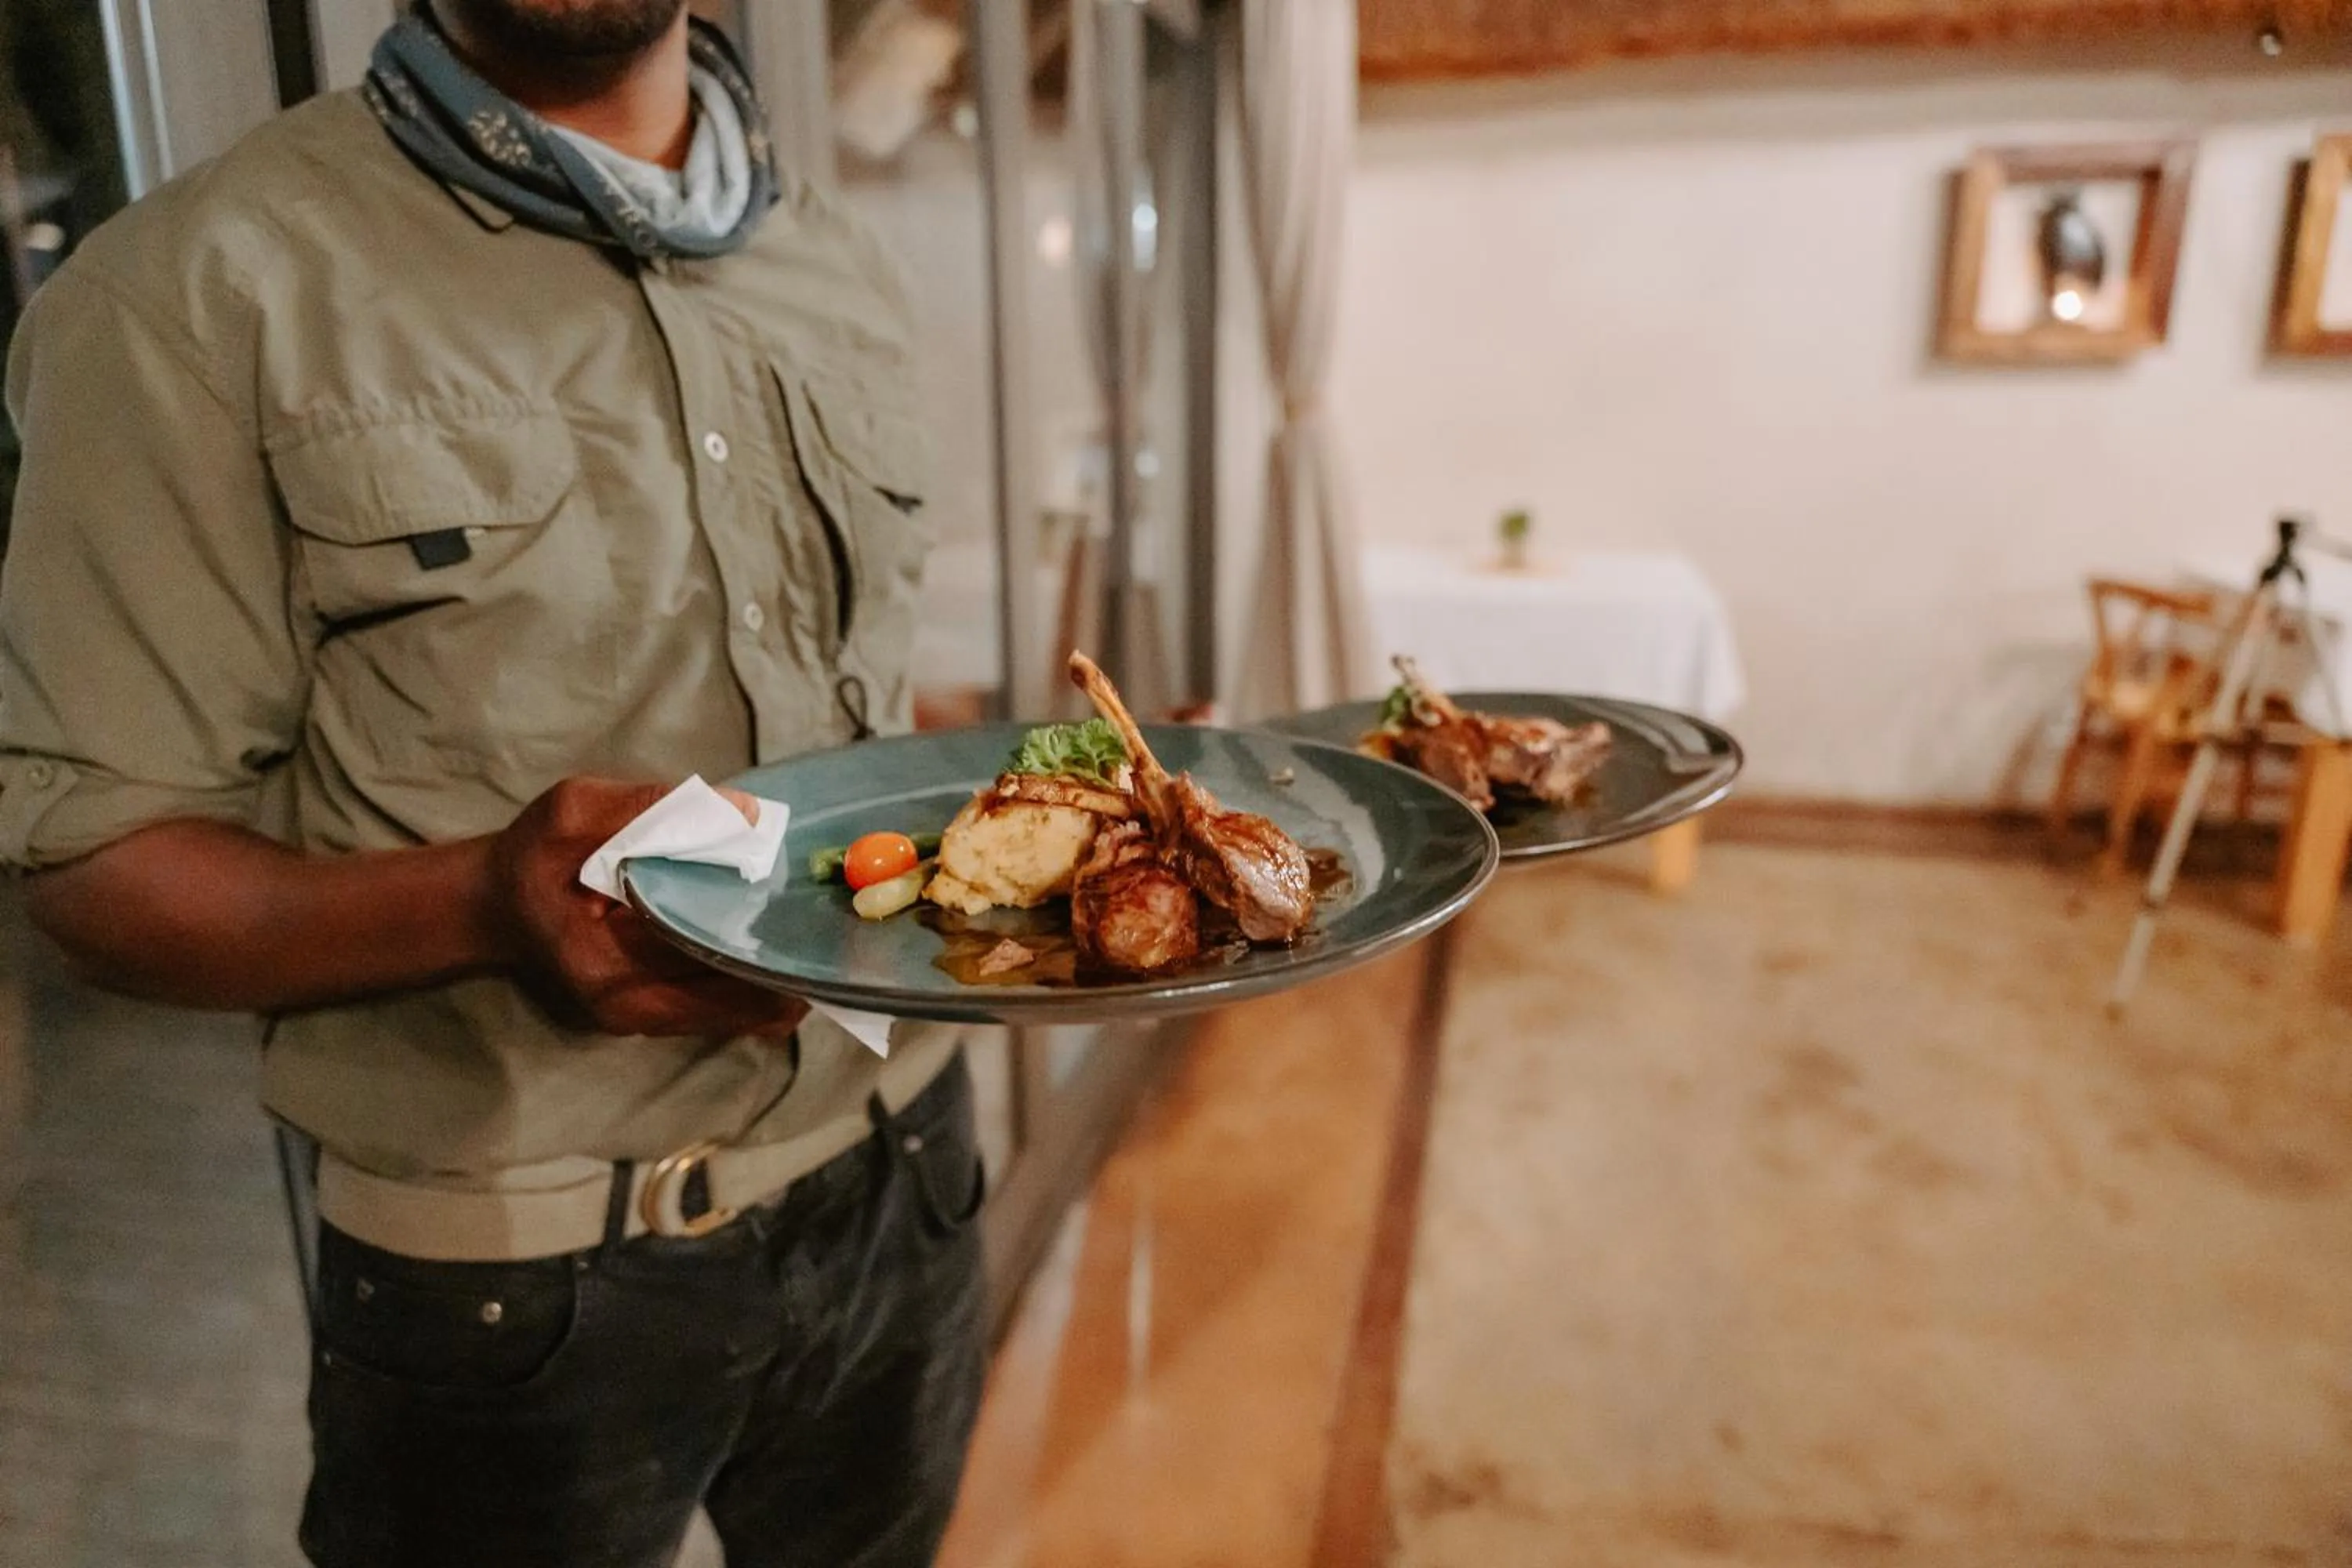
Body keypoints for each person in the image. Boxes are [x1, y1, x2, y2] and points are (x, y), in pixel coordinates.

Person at [0, 3, 985, 1564]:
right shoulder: (190, 292)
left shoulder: (834, 260)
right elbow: (92, 873)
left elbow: (847, 700)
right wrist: (484, 899)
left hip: (908, 1166)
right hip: (518, 1277)